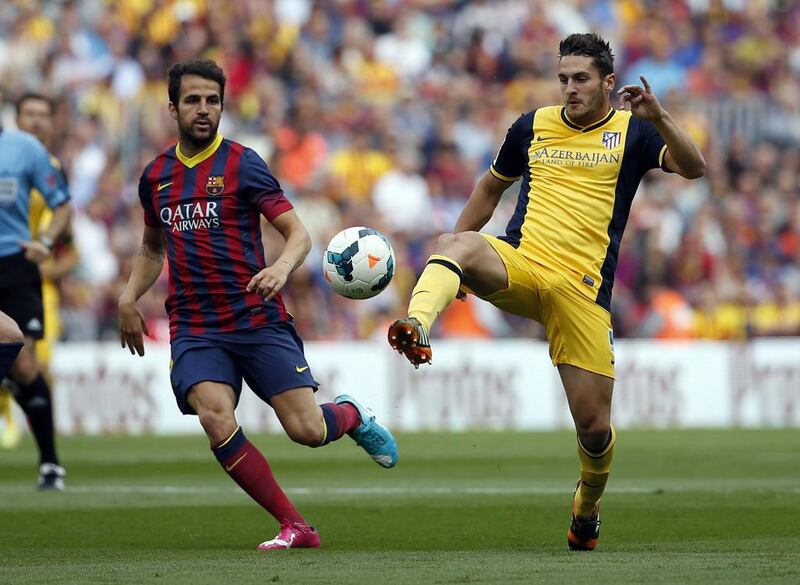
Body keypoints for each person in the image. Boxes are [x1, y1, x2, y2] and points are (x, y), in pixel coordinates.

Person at [388, 33, 705, 551]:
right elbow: (489, 191)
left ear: (607, 82)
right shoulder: (532, 126)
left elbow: (695, 168)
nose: (569, 89)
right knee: (454, 243)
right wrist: (452, 259)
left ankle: (587, 507)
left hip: (582, 294)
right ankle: (417, 324)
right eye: (563, 79)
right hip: (524, 264)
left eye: (580, 79)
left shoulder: (633, 131)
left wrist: (660, 116)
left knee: (595, 429)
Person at [118, 59, 398, 551]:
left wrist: (281, 268)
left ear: (223, 106)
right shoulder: (155, 177)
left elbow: (298, 234)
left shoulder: (242, 163)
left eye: (212, 100)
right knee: (215, 417)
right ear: (172, 108)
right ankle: (296, 526)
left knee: (308, 431)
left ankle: (350, 414)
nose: (203, 110)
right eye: (192, 100)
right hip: (197, 327)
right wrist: (127, 297)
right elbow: (152, 247)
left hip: (255, 318)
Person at [0, 92, 79, 450]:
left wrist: (45, 247)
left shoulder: (34, 157)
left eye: (42, 114)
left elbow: (66, 223)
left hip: (21, 270)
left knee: (28, 363)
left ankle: (47, 457)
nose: (36, 121)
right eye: (28, 113)